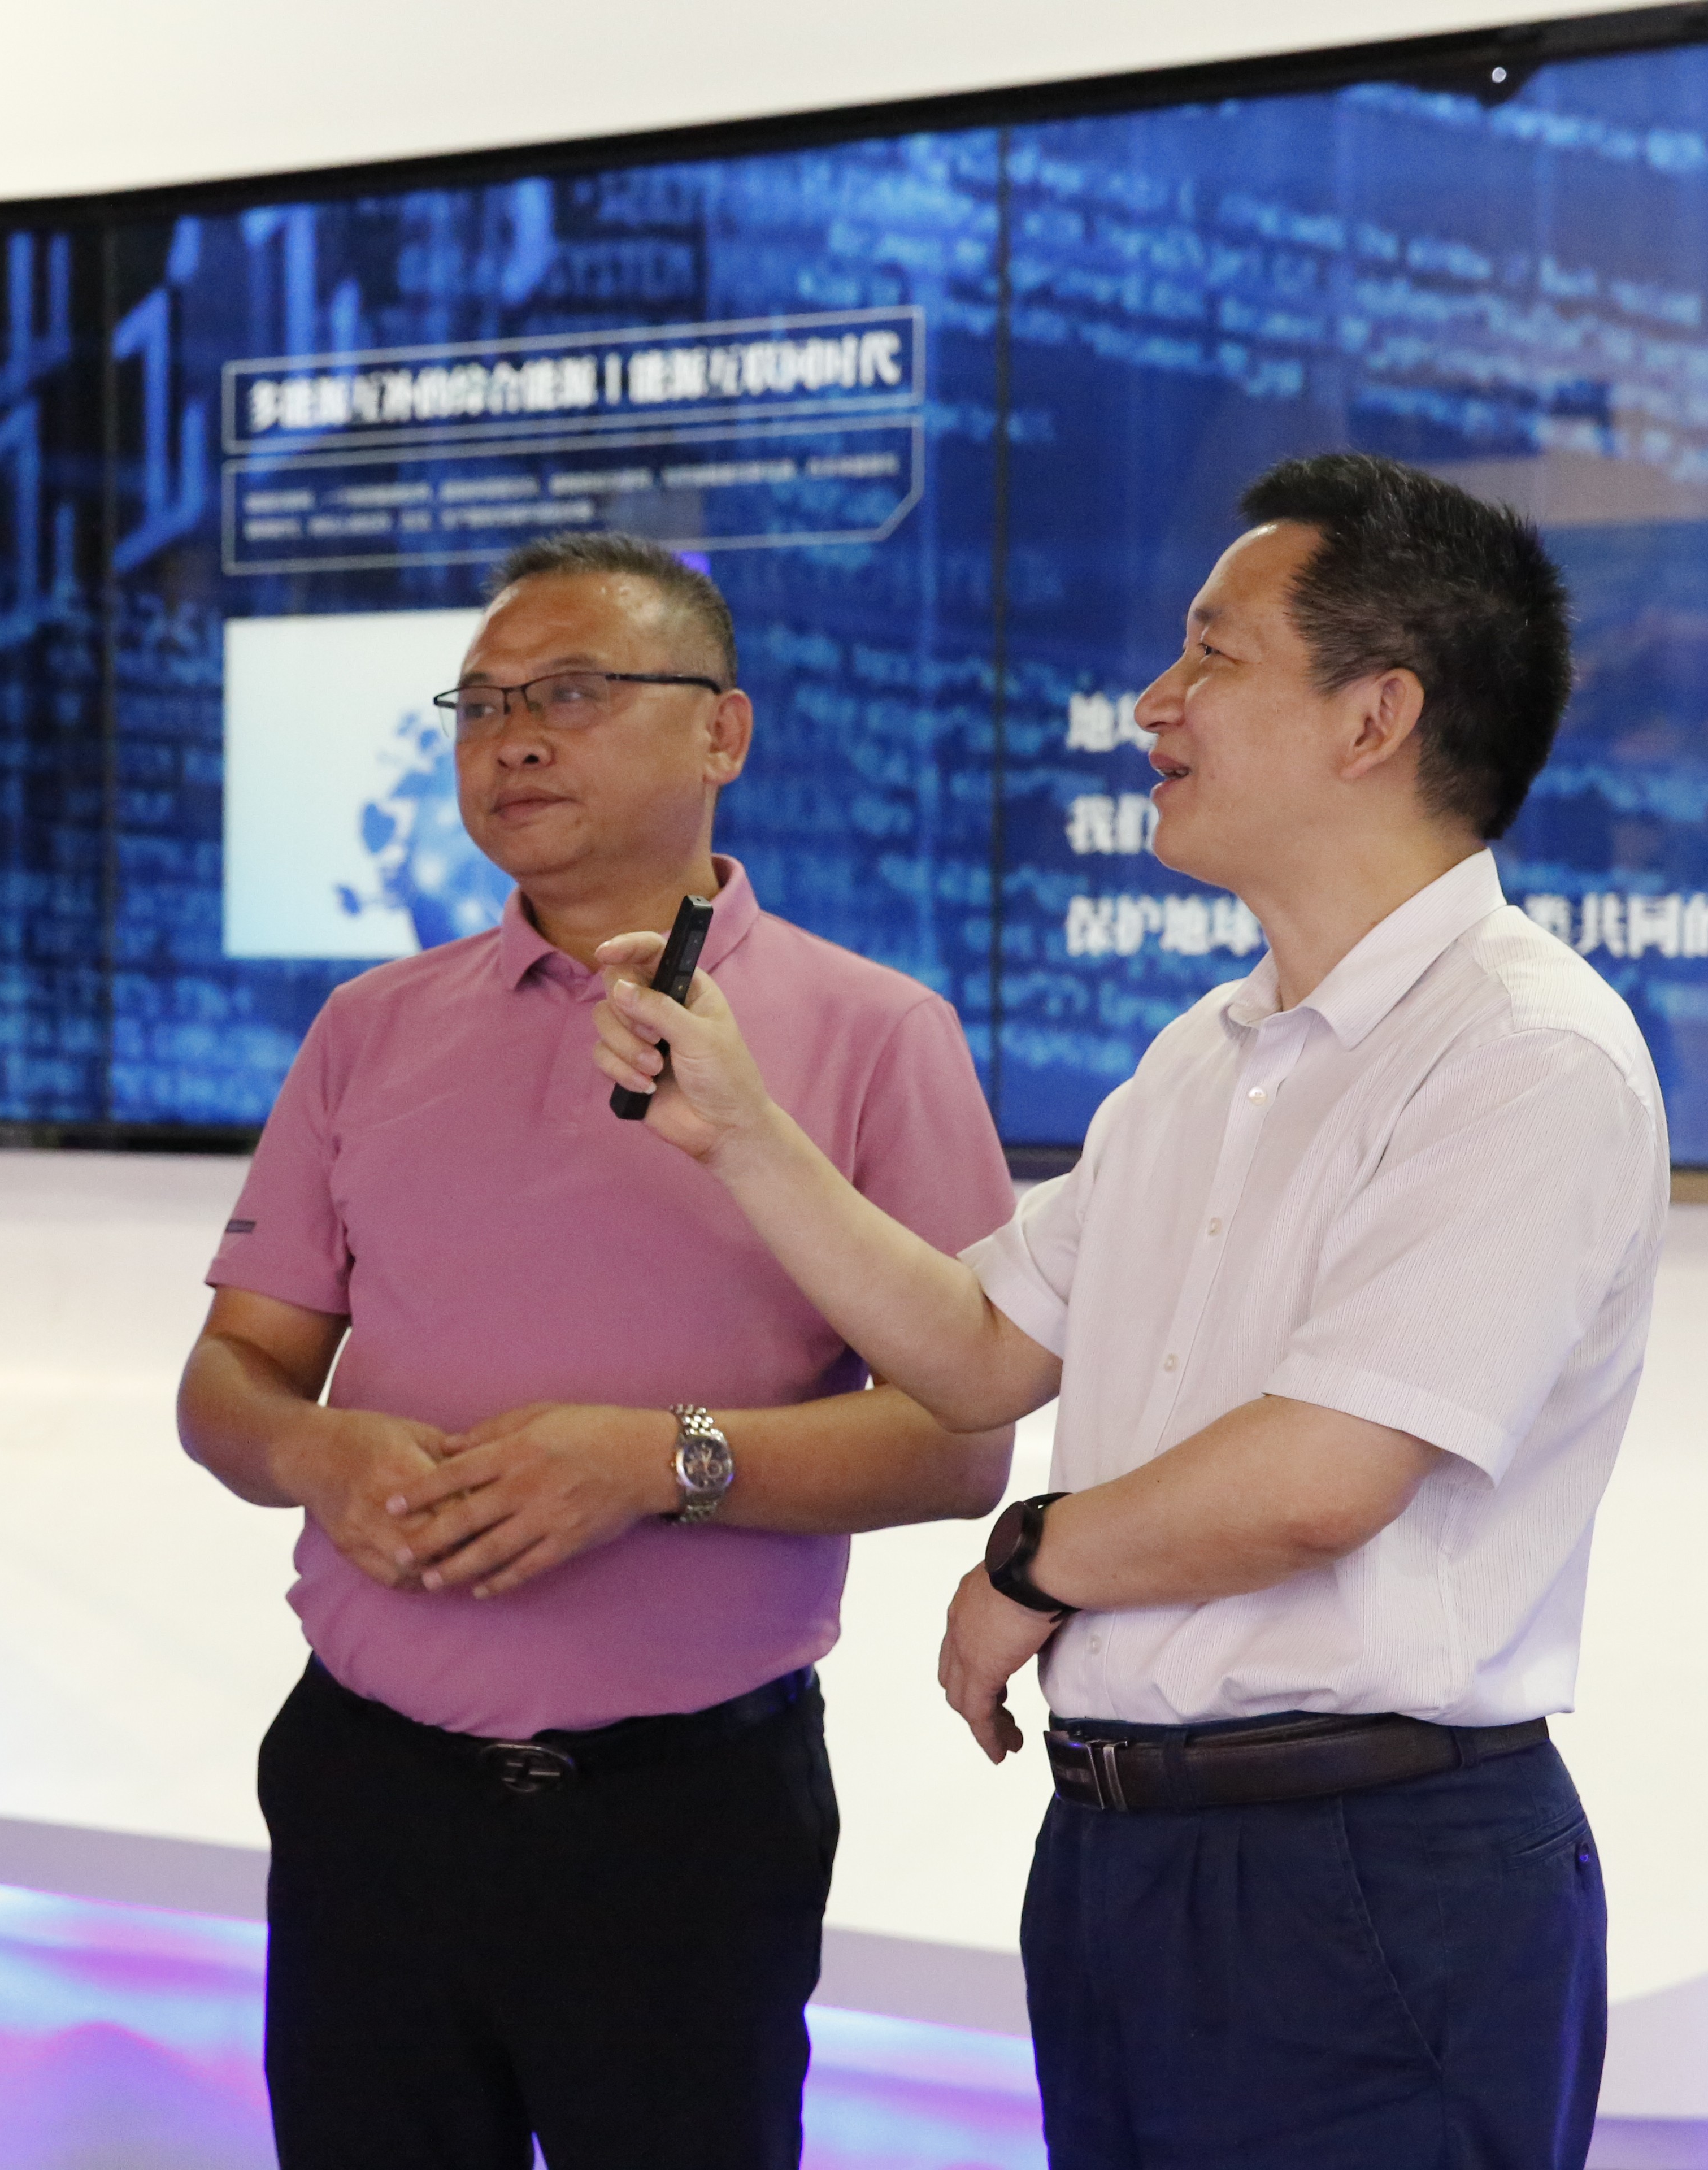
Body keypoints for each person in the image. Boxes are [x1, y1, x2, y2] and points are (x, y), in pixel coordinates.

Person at [593, 453, 1664, 2169]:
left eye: (1212, 656)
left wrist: (1030, 1565)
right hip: (1120, 1852)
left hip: (1371, 1869)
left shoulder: (1523, 1054)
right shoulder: (1202, 1057)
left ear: (1375, 717)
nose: (1152, 703)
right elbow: (975, 1350)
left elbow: (1323, 1475)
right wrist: (741, 1131)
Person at [176, 529, 1019, 2170]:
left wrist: (655, 1464)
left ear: (723, 732)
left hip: (683, 1822)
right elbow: (229, 1381)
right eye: (481, 705)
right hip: (366, 1792)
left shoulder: (875, 1034)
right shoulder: (369, 1027)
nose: (513, 741)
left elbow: (960, 1441)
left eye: (570, 693)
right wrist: (315, 1450)